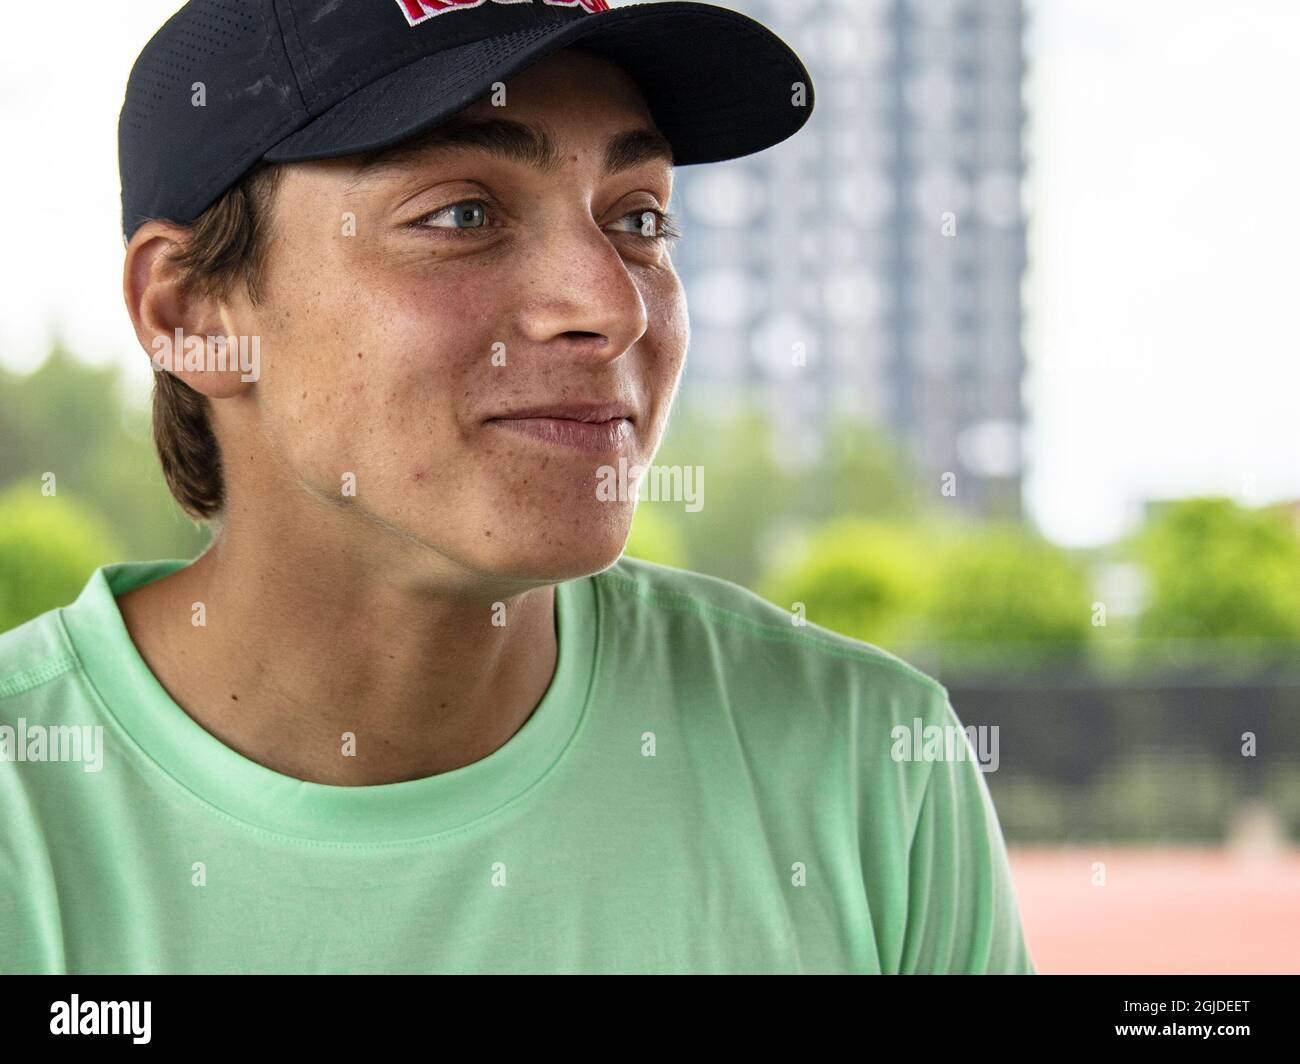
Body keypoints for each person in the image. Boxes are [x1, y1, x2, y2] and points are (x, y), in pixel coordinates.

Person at [0, 0, 1035, 974]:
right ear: (194, 312)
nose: (611, 306)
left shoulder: (867, 765)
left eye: (638, 218)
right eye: (461, 214)